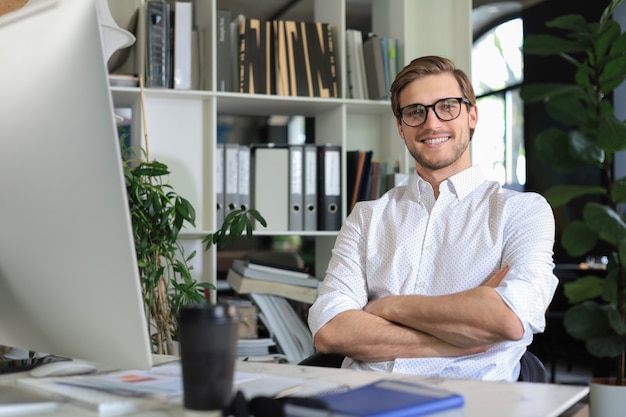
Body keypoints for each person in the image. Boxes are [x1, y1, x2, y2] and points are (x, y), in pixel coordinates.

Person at [307, 55, 558, 382]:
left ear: (472, 115)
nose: (432, 123)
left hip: (472, 404)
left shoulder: (522, 211)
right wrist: (461, 340)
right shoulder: (367, 218)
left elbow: (508, 318)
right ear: (401, 127)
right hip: (362, 398)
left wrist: (389, 307)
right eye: (415, 112)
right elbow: (330, 330)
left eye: (447, 106)